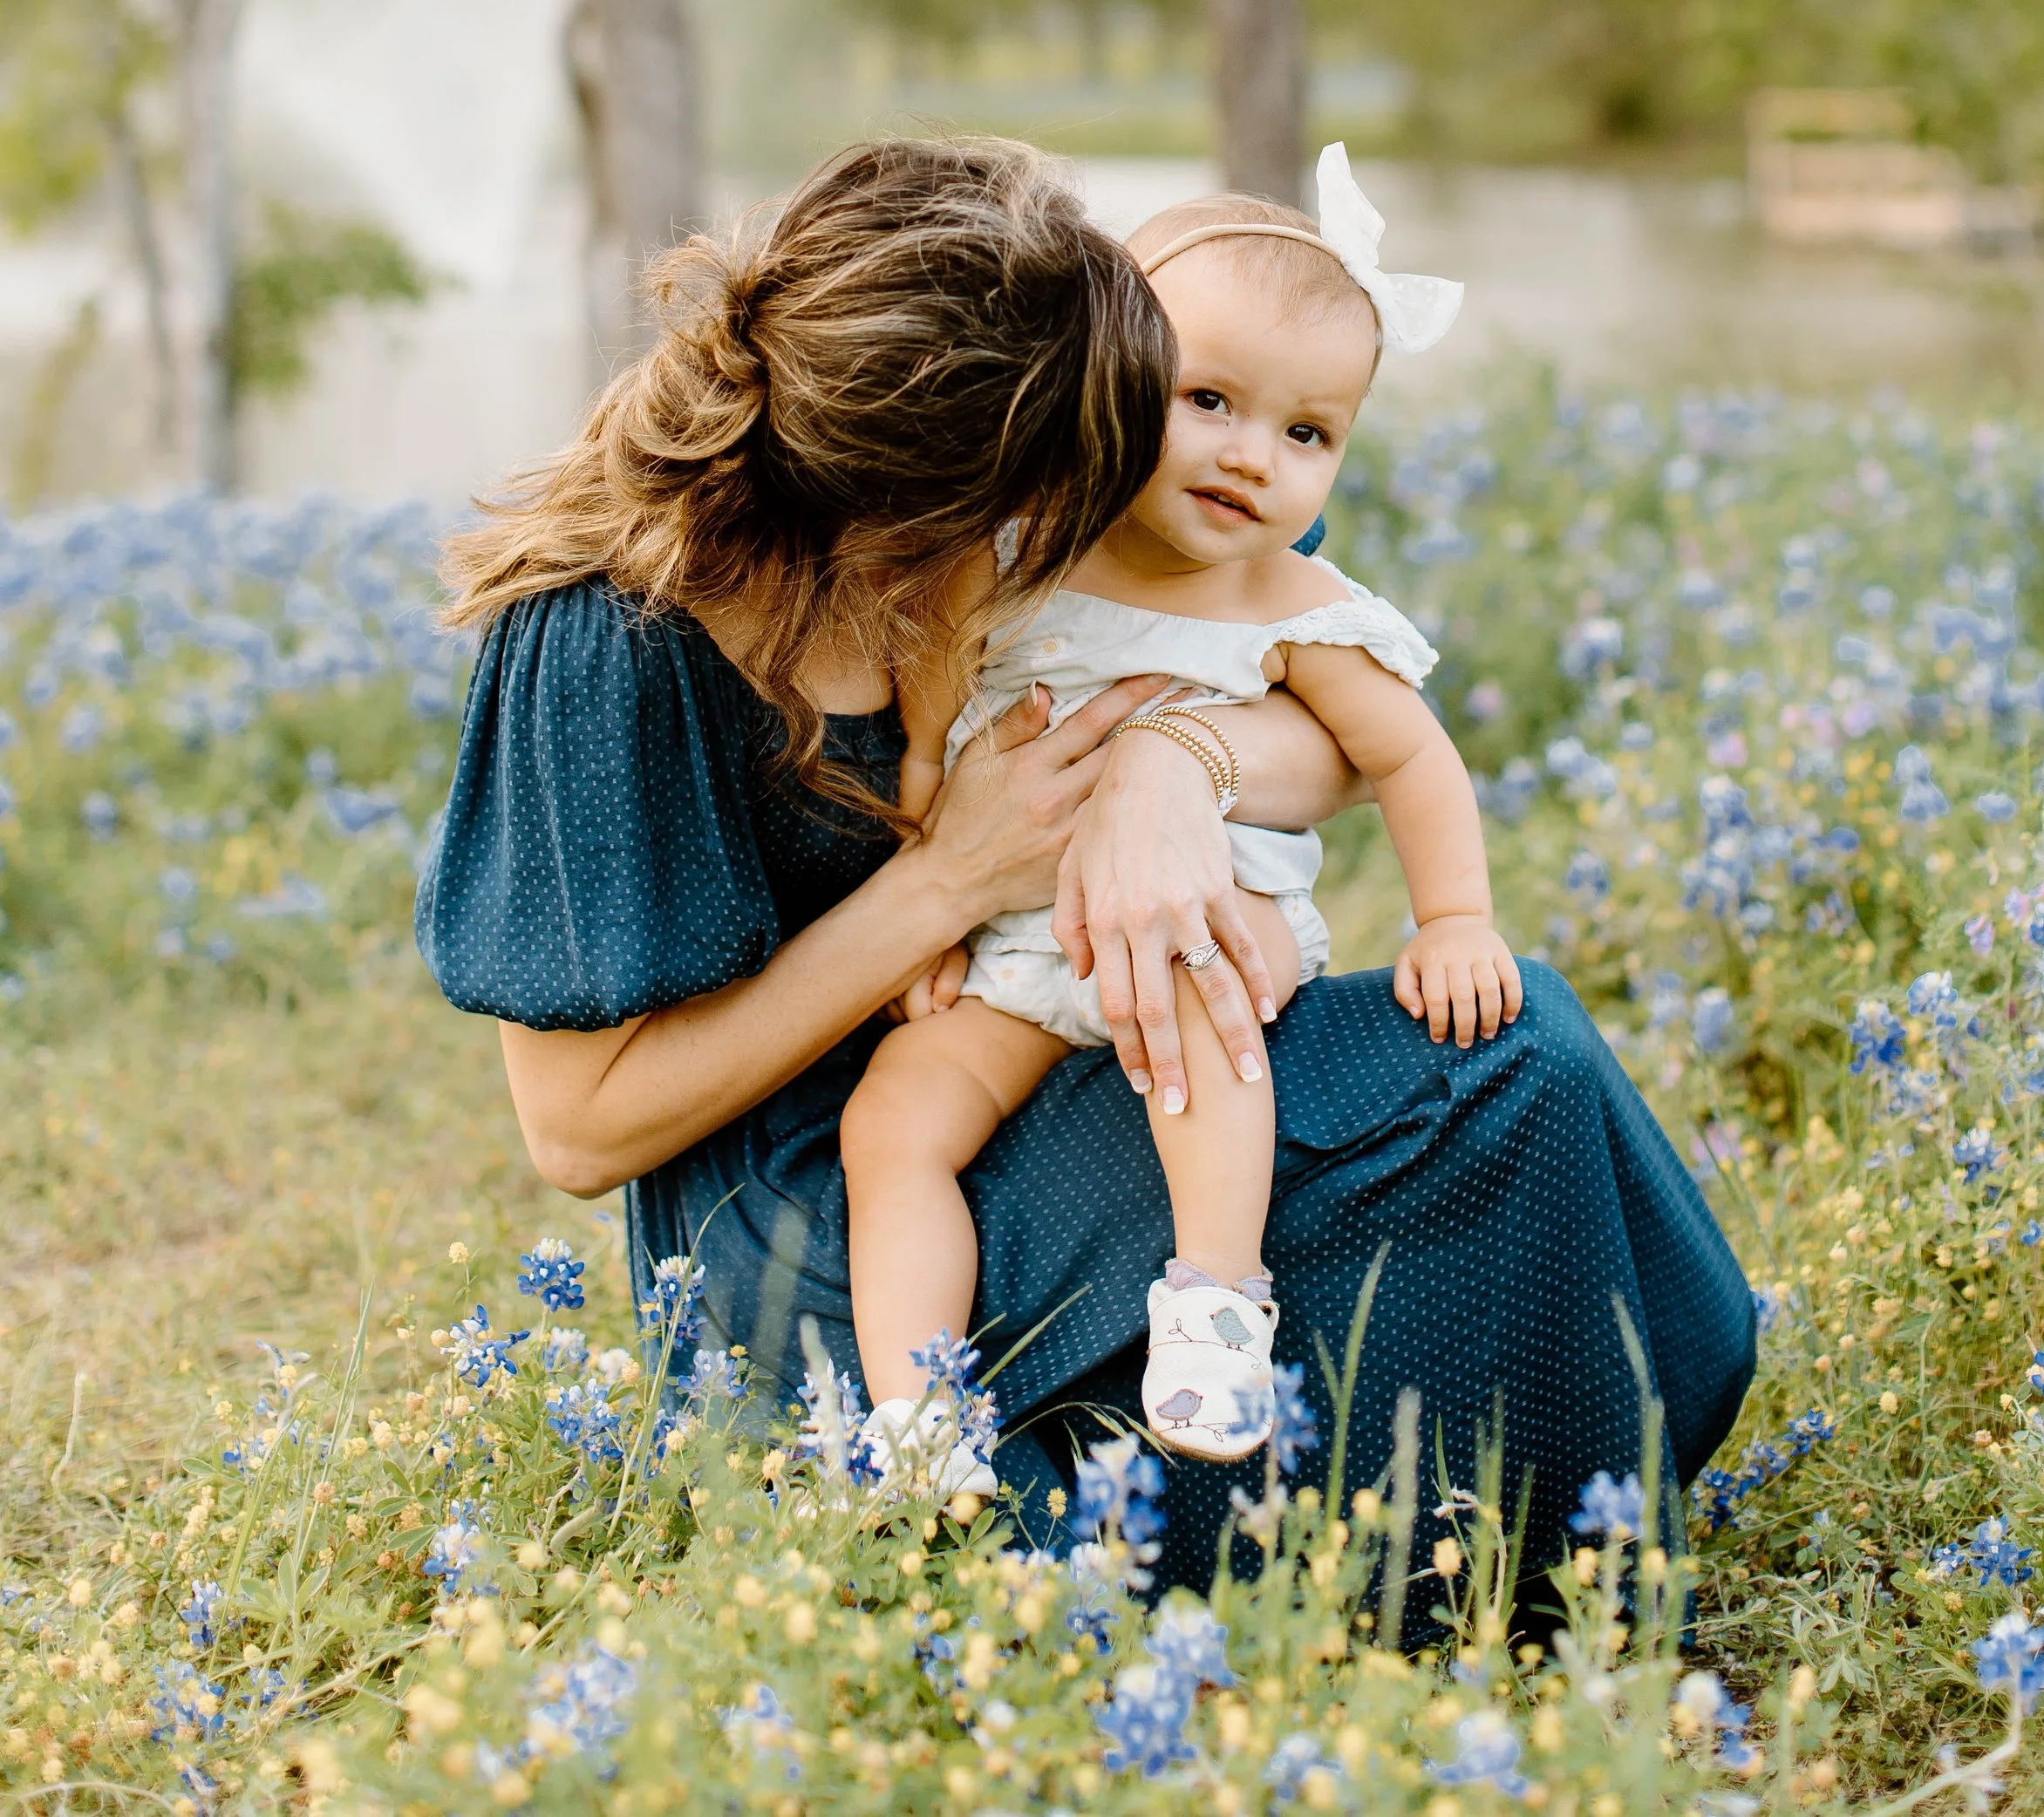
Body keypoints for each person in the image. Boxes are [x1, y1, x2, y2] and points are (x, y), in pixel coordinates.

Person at [415, 133, 1756, 1634]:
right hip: (817, 1198)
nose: (1141, 479)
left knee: (1514, 1063)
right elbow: (578, 1129)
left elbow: (1329, 726)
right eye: (1094, 451)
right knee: (1474, 1097)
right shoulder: (612, 642)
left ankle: (1496, 1529)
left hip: (1050, 1045)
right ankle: (1271, 1546)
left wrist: (1172, 769)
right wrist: (943, 887)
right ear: (942, 480)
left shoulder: (973, 532)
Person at [842, 149, 1523, 1487]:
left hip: (1199, 939)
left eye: (1307, 432)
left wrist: (1456, 916)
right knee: (894, 1124)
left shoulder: (1292, 606)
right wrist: (928, 886)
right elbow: (935, 705)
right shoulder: (1016, 553)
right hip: (1017, 956)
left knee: (1206, 1058)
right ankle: (920, 1414)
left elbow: (1415, 760)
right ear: (1114, 382)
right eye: (1207, 398)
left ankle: (1216, 1295)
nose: (1250, 456)